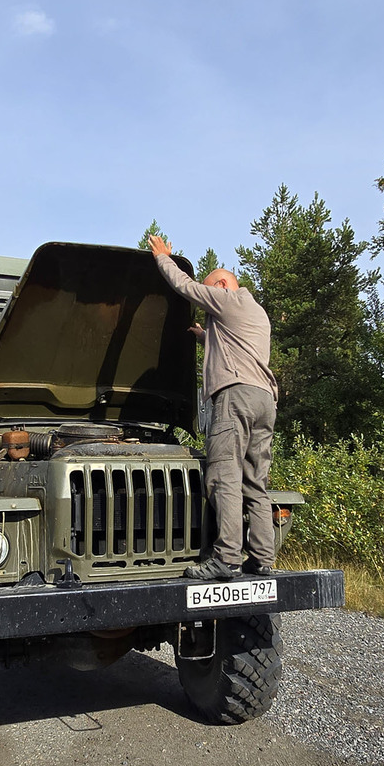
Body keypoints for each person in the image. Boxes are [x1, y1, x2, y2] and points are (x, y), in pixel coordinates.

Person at [148, 233, 278, 581]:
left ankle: (226, 559)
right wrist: (205, 337)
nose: (208, 305)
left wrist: (164, 258)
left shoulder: (228, 299)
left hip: (234, 399)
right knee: (255, 482)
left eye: (212, 292)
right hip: (264, 400)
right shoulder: (257, 313)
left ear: (222, 284)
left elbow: (185, 287)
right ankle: (263, 559)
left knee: (224, 477)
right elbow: (238, 348)